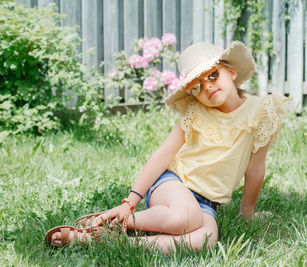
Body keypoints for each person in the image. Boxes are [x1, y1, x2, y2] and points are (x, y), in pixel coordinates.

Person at [45, 41, 288, 253]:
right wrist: (129, 201)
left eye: (212, 76)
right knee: (186, 216)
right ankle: (121, 218)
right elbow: (163, 155)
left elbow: (255, 168)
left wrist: (247, 212)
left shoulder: (261, 112)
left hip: (206, 203)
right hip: (172, 184)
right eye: (196, 86)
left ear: (231, 72)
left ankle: (105, 239)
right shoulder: (196, 112)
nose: (208, 87)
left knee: (205, 240)